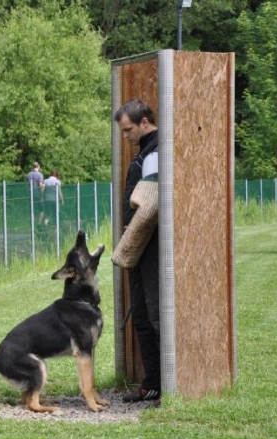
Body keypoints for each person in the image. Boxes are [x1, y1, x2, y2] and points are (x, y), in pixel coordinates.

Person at [114, 98, 161, 403]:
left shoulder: (155, 152)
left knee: (155, 315)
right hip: (140, 247)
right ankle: (152, 383)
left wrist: (128, 244)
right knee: (141, 316)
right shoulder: (146, 151)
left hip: (150, 246)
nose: (126, 136)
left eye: (128, 129)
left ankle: (165, 385)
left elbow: (150, 206)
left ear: (145, 122)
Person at [26, 162, 45, 226]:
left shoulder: (28, 175)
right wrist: (42, 193)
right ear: (38, 167)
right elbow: (40, 185)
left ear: (32, 167)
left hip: (30, 195)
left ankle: (32, 225)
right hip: (38, 195)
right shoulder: (40, 175)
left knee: (32, 211)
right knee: (41, 210)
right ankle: (39, 223)